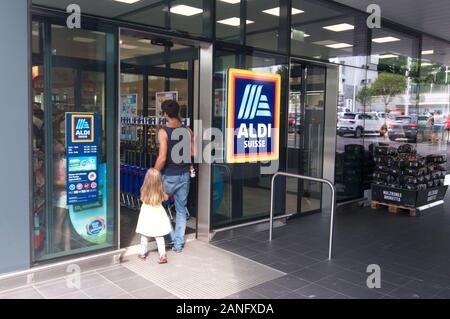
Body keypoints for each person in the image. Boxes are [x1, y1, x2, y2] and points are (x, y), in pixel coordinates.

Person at [155, 100, 195, 253]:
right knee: (180, 209)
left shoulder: (163, 132)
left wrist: (154, 172)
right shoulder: (187, 130)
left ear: (165, 114)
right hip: (184, 175)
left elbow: (162, 158)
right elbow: (193, 153)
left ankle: (169, 237)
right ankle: (178, 244)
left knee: (157, 205)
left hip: (169, 176)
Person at [135, 169, 172, 264]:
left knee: (144, 235)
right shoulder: (160, 192)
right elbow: (166, 198)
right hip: (158, 216)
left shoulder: (143, 190)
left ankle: (142, 253)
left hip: (146, 216)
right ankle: (163, 255)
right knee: (159, 236)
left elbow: (142, 198)